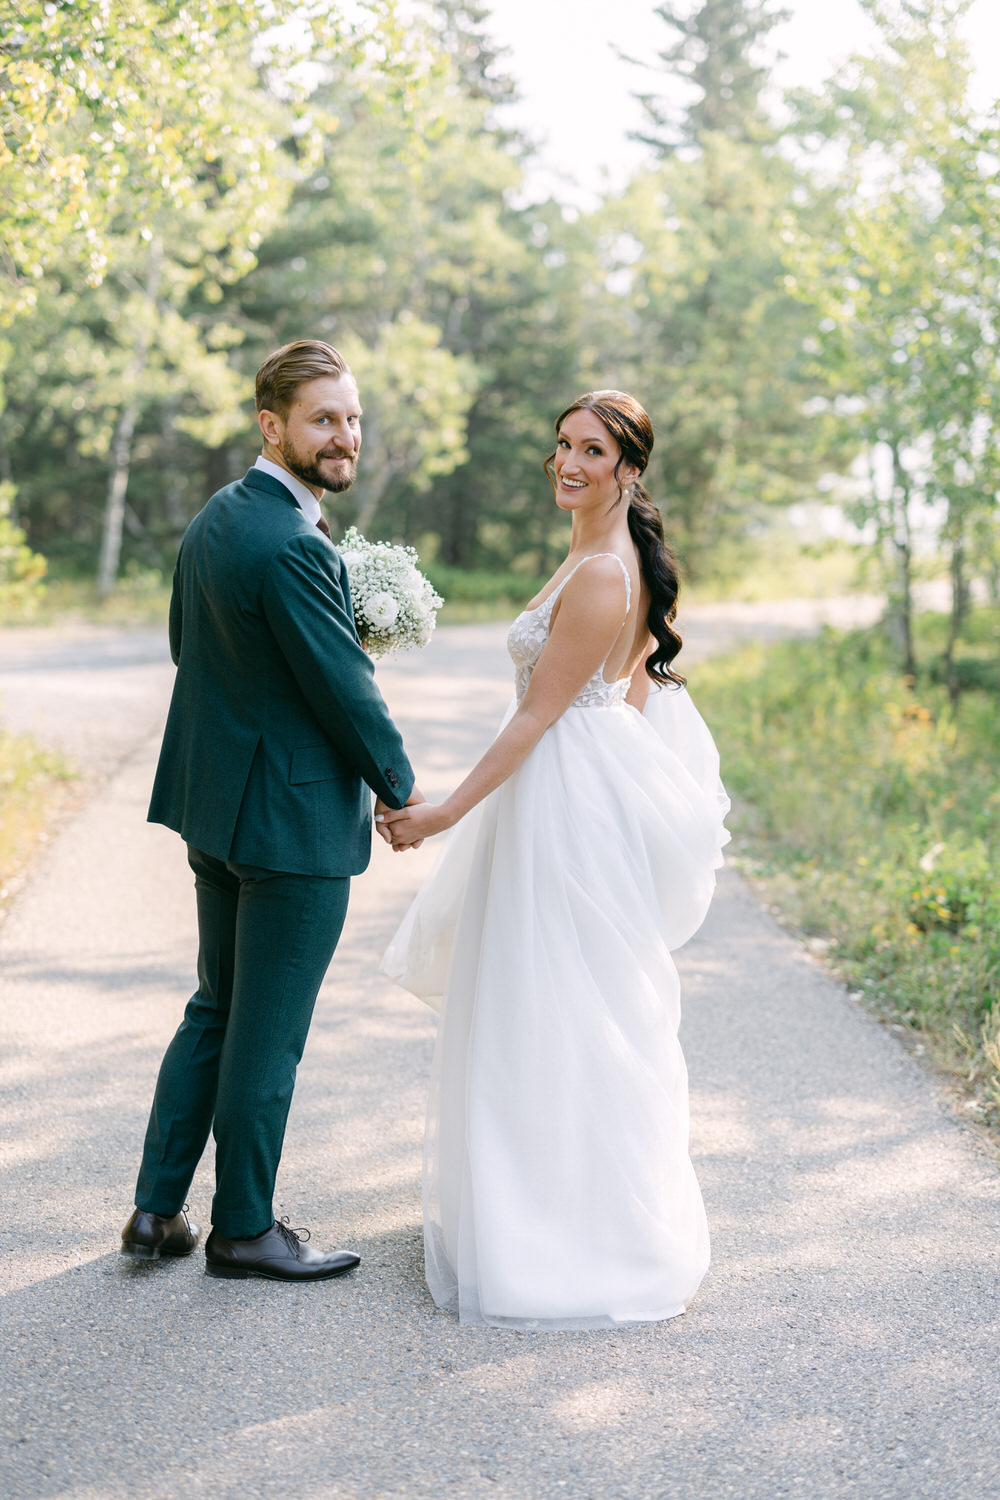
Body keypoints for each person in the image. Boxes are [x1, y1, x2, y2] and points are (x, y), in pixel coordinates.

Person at [380, 390, 730, 1329]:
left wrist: (444, 813)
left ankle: (570, 1233)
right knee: (537, 998)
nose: (569, 462)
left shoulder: (605, 575)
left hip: (561, 806)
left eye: (593, 451)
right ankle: (522, 1205)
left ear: (629, 469)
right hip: (569, 792)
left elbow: (540, 715)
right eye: (563, 444)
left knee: (563, 1003)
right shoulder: (593, 554)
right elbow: (630, 692)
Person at [120, 339, 423, 1282]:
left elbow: (190, 645)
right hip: (288, 829)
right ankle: (246, 1228)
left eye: (353, 417)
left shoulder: (220, 517)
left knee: (215, 1007)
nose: (345, 436)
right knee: (266, 1032)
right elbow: (344, 689)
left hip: (219, 814)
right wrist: (403, 789)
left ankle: (154, 1212)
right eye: (323, 419)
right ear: (273, 426)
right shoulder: (294, 542)